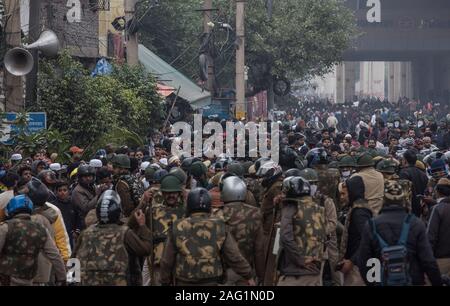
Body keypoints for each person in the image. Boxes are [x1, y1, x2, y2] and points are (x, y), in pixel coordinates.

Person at [160, 187, 255, 286]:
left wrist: (165, 281)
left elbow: (167, 260)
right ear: (209, 206)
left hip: (184, 281)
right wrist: (248, 275)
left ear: (188, 206)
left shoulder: (177, 226)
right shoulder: (220, 225)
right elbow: (233, 256)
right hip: (212, 280)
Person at [357, 181, 442, 286]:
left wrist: (372, 283)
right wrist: (437, 282)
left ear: (384, 200)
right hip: (413, 280)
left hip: (383, 281)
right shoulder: (416, 224)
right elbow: (428, 261)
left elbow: (363, 261)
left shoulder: (371, 225)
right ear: (403, 200)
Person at [73, 190, 152, 286]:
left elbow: (73, 260)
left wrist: (71, 282)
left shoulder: (86, 233)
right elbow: (146, 250)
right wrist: (143, 226)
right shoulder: (124, 233)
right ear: (118, 212)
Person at [0, 195, 66, 286]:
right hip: (29, 278)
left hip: (6, 279)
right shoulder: (41, 230)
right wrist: (62, 277)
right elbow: (54, 255)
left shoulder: (5, 228)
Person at [277, 176, 326, 286]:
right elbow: (325, 237)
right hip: (315, 273)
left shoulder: (291, 208)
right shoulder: (319, 209)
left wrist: (300, 259)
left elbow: (285, 237)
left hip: (294, 274)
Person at [219, 176, 265, 285]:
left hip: (223, 273)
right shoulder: (255, 213)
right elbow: (259, 249)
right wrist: (261, 276)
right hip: (247, 272)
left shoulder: (217, 214)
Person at [299, 168, 340, 286]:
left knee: (334, 263)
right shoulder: (298, 201)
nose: (311, 186)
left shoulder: (325, 201)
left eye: (313, 183)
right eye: (308, 183)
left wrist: (318, 231)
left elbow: (333, 222)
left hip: (327, 238)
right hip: (307, 241)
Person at [427, 178, 450, 276]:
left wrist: (427, 259)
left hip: (441, 258)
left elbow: (430, 236)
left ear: (437, 192)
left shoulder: (438, 209)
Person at [399, 150, 429, 217]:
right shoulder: (423, 174)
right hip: (421, 207)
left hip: (409, 209)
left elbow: (403, 194)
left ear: (405, 160)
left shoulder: (403, 173)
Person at [54, 180, 82, 249]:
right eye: (60, 190)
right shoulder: (54, 206)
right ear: (56, 192)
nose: (62, 192)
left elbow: (78, 219)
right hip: (58, 236)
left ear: (69, 191)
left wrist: (76, 231)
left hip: (71, 236)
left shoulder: (73, 204)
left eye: (64, 190)